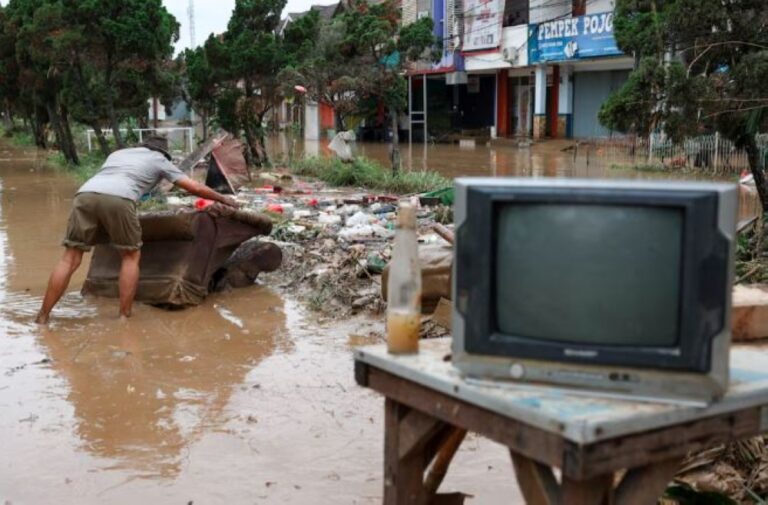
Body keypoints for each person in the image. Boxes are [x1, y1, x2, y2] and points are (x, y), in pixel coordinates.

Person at [35, 136, 239, 324]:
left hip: (85, 194)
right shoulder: (159, 160)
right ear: (162, 153)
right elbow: (193, 187)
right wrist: (223, 199)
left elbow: (117, 179)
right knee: (130, 256)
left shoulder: (118, 154)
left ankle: (43, 316)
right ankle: (124, 316)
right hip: (120, 198)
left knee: (69, 258)